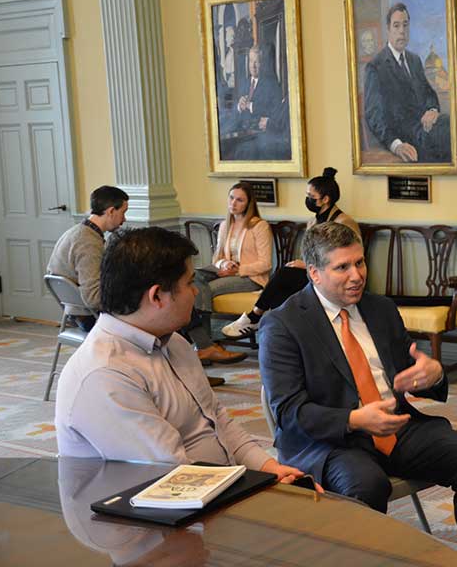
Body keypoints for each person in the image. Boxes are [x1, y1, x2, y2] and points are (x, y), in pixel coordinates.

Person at [259, 222, 457, 565]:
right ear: (314, 273)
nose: (356, 275)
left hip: (396, 426)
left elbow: (410, 372)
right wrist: (355, 419)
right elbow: (289, 413)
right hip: (332, 442)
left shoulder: (380, 308)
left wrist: (433, 374)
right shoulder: (282, 325)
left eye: (359, 263)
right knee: (367, 486)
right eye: (342, 267)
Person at [53, 226, 305, 486]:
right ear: (157, 296)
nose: (196, 292)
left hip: (217, 490)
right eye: (189, 283)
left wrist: (268, 467)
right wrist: (256, 486)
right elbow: (173, 478)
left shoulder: (175, 343)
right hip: (159, 516)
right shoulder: (105, 374)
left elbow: (217, 420)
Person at [221, 167, 359, 338]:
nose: (307, 199)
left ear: (325, 199)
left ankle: (255, 316)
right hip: (316, 275)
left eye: (311, 197)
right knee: (282, 289)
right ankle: (280, 334)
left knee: (284, 275)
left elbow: (346, 258)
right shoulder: (313, 222)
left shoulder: (343, 222)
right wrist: (303, 264)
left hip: (335, 276)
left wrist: (305, 265)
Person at [187, 181, 272, 365]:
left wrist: (238, 270)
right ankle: (207, 345)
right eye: (231, 198)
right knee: (192, 277)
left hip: (250, 277)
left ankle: (205, 345)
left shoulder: (259, 226)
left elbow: (266, 264)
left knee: (200, 289)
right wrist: (225, 264)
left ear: (249, 204)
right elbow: (217, 257)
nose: (233, 203)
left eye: (240, 200)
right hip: (226, 271)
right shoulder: (226, 225)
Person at [364, 2, 451, 163]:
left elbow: (429, 93)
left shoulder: (414, 60)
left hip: (427, 128)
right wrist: (396, 145)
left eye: (405, 25)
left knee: (451, 124)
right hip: (406, 137)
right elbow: (374, 116)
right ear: (388, 29)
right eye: (396, 26)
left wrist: (432, 109)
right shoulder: (376, 67)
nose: (402, 31)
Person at [47, 185, 129, 331]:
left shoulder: (77, 231)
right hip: (89, 318)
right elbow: (93, 297)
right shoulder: (88, 243)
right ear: (111, 211)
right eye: (123, 212)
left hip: (74, 313)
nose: (124, 219)